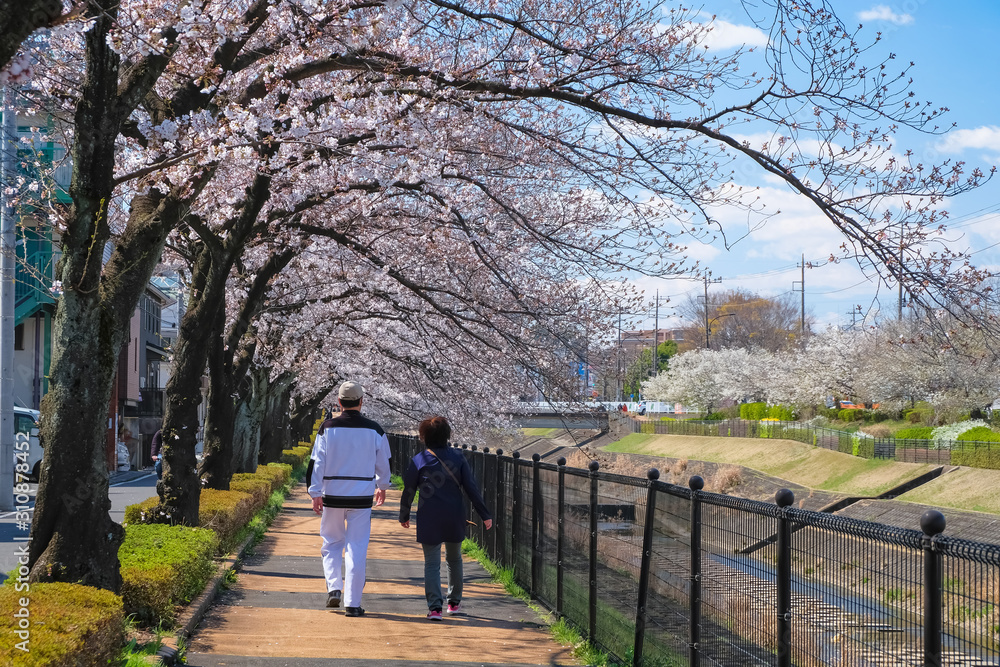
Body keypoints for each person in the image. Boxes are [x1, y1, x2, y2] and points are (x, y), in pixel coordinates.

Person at [307, 381, 391, 618]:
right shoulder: (375, 430)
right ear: (361, 402)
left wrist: (315, 492)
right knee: (357, 548)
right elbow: (384, 462)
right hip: (362, 496)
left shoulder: (327, 428)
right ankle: (353, 603)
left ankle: (334, 588)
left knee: (332, 543)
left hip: (332, 494)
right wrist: (382, 486)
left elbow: (317, 463)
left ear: (339, 402)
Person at [399, 416, 492, 621]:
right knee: (454, 559)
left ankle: (434, 609)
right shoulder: (458, 458)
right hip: (454, 515)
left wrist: (403, 515)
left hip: (429, 517)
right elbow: (471, 488)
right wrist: (485, 514)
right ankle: (454, 603)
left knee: (432, 564)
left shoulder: (419, 460)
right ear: (447, 435)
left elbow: (409, 491)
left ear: (424, 437)